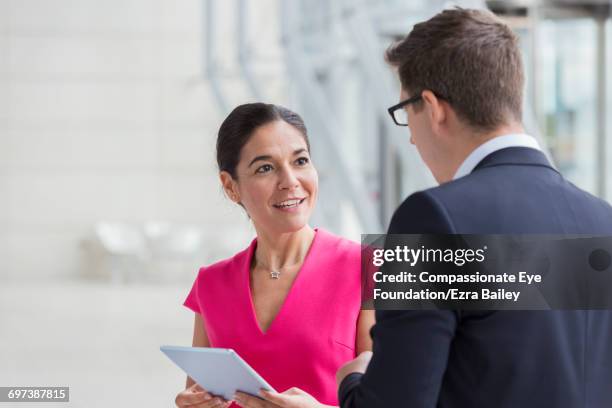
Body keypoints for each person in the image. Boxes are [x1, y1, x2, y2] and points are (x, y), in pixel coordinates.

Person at [336, 7, 612, 408]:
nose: (411, 140)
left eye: (404, 114)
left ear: (433, 108)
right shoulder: (602, 218)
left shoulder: (431, 218)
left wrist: (353, 378)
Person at [174, 103, 375, 408]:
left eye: (301, 161)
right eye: (265, 168)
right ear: (231, 187)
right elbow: (200, 395)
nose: (290, 180)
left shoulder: (371, 266)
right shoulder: (211, 284)